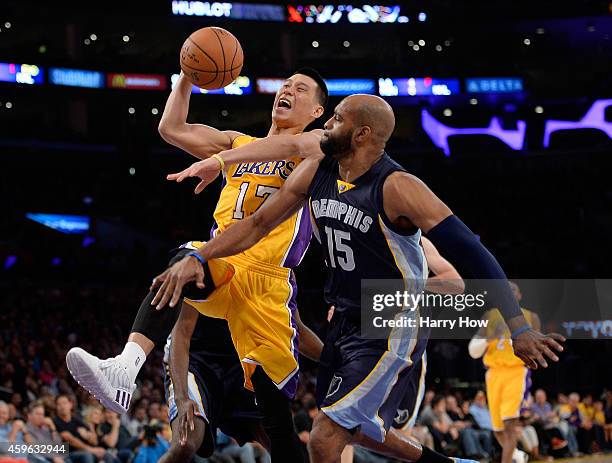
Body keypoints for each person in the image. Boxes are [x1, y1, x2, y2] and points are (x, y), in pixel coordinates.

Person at [154, 93, 564, 462]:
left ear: (362, 133)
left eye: (335, 120)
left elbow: (472, 252)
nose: (326, 126)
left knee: (324, 439)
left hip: (392, 319)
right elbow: (260, 222)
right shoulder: (320, 172)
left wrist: (518, 326)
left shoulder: (399, 187)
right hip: (346, 319)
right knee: (359, 430)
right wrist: (200, 255)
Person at [66, 67, 329, 461]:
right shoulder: (240, 141)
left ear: (317, 110)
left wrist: (220, 160)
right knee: (186, 259)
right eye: (285, 84)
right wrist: (187, 75)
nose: (286, 90)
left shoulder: (317, 146)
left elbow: (293, 150)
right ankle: (125, 367)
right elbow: (171, 128)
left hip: (268, 283)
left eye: (300, 88)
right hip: (224, 258)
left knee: (281, 430)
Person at [468, 282, 544, 463]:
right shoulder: (489, 316)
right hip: (493, 374)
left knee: (510, 425)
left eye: (513, 291)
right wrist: (491, 337)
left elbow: (537, 349)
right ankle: (517, 455)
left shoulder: (531, 317)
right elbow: (473, 351)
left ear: (519, 296)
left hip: (516, 373)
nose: (509, 294)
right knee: (498, 430)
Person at [53, 394, 107, 463]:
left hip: (84, 451)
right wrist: (91, 449)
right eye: (59, 404)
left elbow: (94, 441)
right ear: (56, 407)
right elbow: (69, 438)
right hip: (68, 453)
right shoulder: (55, 421)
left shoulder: (76, 419)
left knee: (106, 454)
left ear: (70, 404)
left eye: (64, 403)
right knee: (87, 455)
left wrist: (89, 434)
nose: (62, 406)